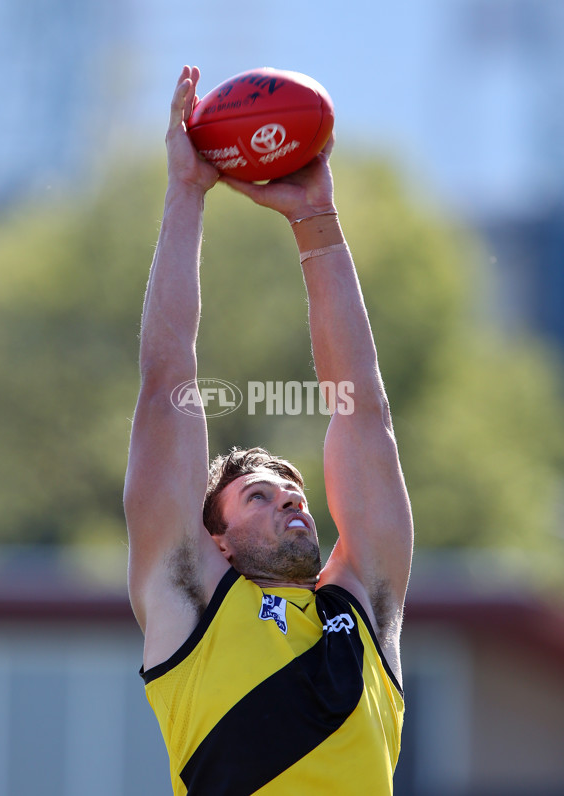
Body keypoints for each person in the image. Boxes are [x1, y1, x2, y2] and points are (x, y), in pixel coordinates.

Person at [124, 65, 414, 796]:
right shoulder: (189, 599)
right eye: (259, 495)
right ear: (214, 541)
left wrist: (316, 223)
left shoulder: (365, 609)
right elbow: (166, 390)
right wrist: (186, 193)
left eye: (291, 490)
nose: (291, 497)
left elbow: (363, 411)